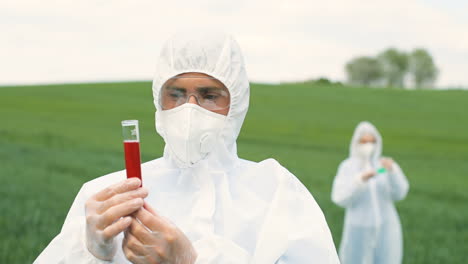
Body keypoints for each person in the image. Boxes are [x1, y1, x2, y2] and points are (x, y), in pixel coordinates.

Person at [34, 30, 340, 263]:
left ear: (237, 103)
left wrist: (192, 261)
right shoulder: (107, 196)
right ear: (158, 100)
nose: (189, 110)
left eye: (209, 95)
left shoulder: (276, 193)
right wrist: (92, 252)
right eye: (176, 94)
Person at [331, 121, 409, 264]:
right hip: (358, 228)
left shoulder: (383, 165)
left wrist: (393, 172)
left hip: (387, 227)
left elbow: (400, 192)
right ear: (356, 143)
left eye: (372, 141)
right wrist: (359, 181)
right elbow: (339, 197)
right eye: (364, 141)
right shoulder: (348, 167)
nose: (368, 145)